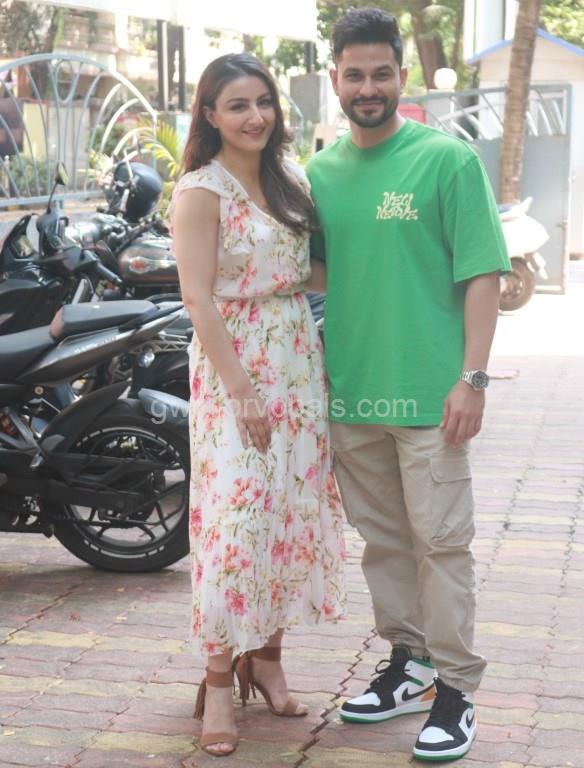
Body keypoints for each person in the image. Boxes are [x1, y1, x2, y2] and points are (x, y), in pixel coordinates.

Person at [306, 8, 510, 763]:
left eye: (382, 73)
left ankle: (455, 690)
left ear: (402, 75)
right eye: (355, 75)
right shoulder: (319, 174)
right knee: (386, 544)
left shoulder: (445, 162)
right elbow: (321, 270)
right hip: (353, 393)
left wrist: (473, 378)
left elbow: (483, 273)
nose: (369, 88)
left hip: (432, 399)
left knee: (442, 545)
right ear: (335, 79)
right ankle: (410, 662)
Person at [169, 53, 346, 758]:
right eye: (238, 105)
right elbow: (196, 297)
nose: (255, 116)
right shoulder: (200, 190)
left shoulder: (290, 177)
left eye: (263, 101)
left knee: (288, 516)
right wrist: (240, 390)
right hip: (233, 366)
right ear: (210, 115)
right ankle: (218, 681)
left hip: (297, 359)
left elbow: (307, 271)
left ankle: (268, 660)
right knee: (234, 525)